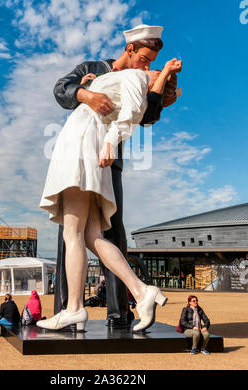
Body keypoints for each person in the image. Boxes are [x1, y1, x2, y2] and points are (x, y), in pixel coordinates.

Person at [38, 43, 182, 332]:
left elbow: (139, 112)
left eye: (151, 65)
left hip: (87, 150)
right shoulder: (98, 70)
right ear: (130, 49)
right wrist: (87, 92)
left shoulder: (135, 78)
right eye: (145, 60)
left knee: (76, 233)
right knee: (89, 235)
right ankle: (140, 292)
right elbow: (62, 89)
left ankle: (80, 309)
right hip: (97, 151)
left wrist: (163, 79)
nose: (146, 67)